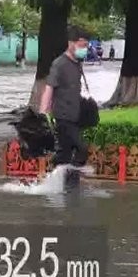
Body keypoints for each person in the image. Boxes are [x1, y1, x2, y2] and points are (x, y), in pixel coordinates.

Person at [39, 26, 90, 179]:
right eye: (82, 46)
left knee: (65, 153)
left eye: (86, 46)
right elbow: (49, 89)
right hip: (63, 117)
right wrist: (42, 114)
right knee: (81, 148)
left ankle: (62, 182)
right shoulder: (59, 64)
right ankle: (56, 174)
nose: (85, 49)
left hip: (75, 117)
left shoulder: (77, 64)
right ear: (71, 44)